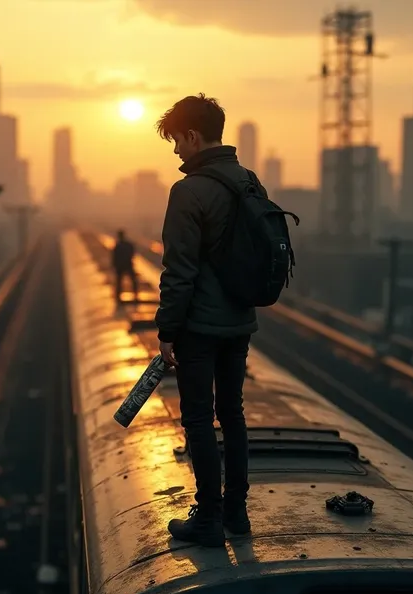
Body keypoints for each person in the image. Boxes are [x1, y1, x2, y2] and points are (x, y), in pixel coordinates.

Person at [155, 93, 263, 548]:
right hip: (239, 323)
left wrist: (166, 333)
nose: (177, 150)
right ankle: (236, 514)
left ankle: (208, 520)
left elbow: (179, 273)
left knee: (198, 419)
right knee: (232, 414)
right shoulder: (248, 181)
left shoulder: (188, 191)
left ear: (194, 136)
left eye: (177, 141)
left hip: (199, 328)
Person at [112, 229, 138, 302]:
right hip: (127, 264)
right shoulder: (128, 245)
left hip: (121, 265)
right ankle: (135, 295)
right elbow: (132, 253)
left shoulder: (118, 245)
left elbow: (114, 257)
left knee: (119, 281)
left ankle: (118, 297)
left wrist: (114, 265)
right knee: (133, 280)